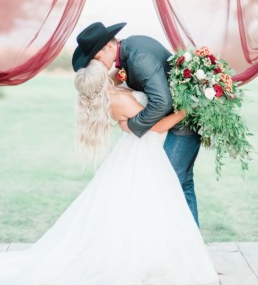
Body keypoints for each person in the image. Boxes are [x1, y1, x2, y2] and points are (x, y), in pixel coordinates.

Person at [0, 58, 219, 285]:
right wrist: (189, 108)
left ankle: (158, 252)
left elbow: (131, 117)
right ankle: (153, 257)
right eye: (103, 68)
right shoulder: (117, 100)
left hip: (139, 151)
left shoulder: (113, 94)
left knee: (142, 206)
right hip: (145, 154)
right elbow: (155, 126)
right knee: (150, 203)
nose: (108, 66)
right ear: (100, 82)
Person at [72, 21, 202, 225]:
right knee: (182, 185)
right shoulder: (129, 49)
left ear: (108, 46)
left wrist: (132, 125)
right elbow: (116, 81)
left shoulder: (137, 58)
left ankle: (182, 247)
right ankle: (191, 245)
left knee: (171, 189)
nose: (99, 64)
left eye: (96, 58)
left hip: (180, 129)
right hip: (177, 125)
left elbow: (161, 103)